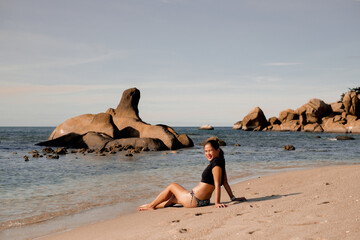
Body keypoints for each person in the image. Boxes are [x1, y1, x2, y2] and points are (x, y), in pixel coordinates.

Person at [138, 140, 247, 210]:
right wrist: (233, 198)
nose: (208, 153)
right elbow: (225, 183)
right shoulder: (221, 162)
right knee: (172, 199)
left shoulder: (216, 165)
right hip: (201, 201)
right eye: (205, 151)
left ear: (217, 150)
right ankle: (151, 206)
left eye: (210, 150)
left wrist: (217, 202)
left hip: (194, 200)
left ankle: (151, 206)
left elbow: (219, 184)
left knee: (172, 185)